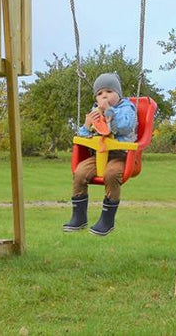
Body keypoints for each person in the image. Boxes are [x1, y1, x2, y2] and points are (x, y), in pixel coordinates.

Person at [62, 72, 137, 236]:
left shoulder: (126, 107)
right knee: (80, 172)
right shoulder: (95, 111)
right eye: (100, 93)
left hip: (121, 155)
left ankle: (107, 220)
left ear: (118, 94)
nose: (104, 96)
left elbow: (126, 126)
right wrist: (87, 125)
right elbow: (84, 135)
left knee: (111, 174)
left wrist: (110, 112)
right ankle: (79, 217)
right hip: (99, 154)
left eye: (109, 92)